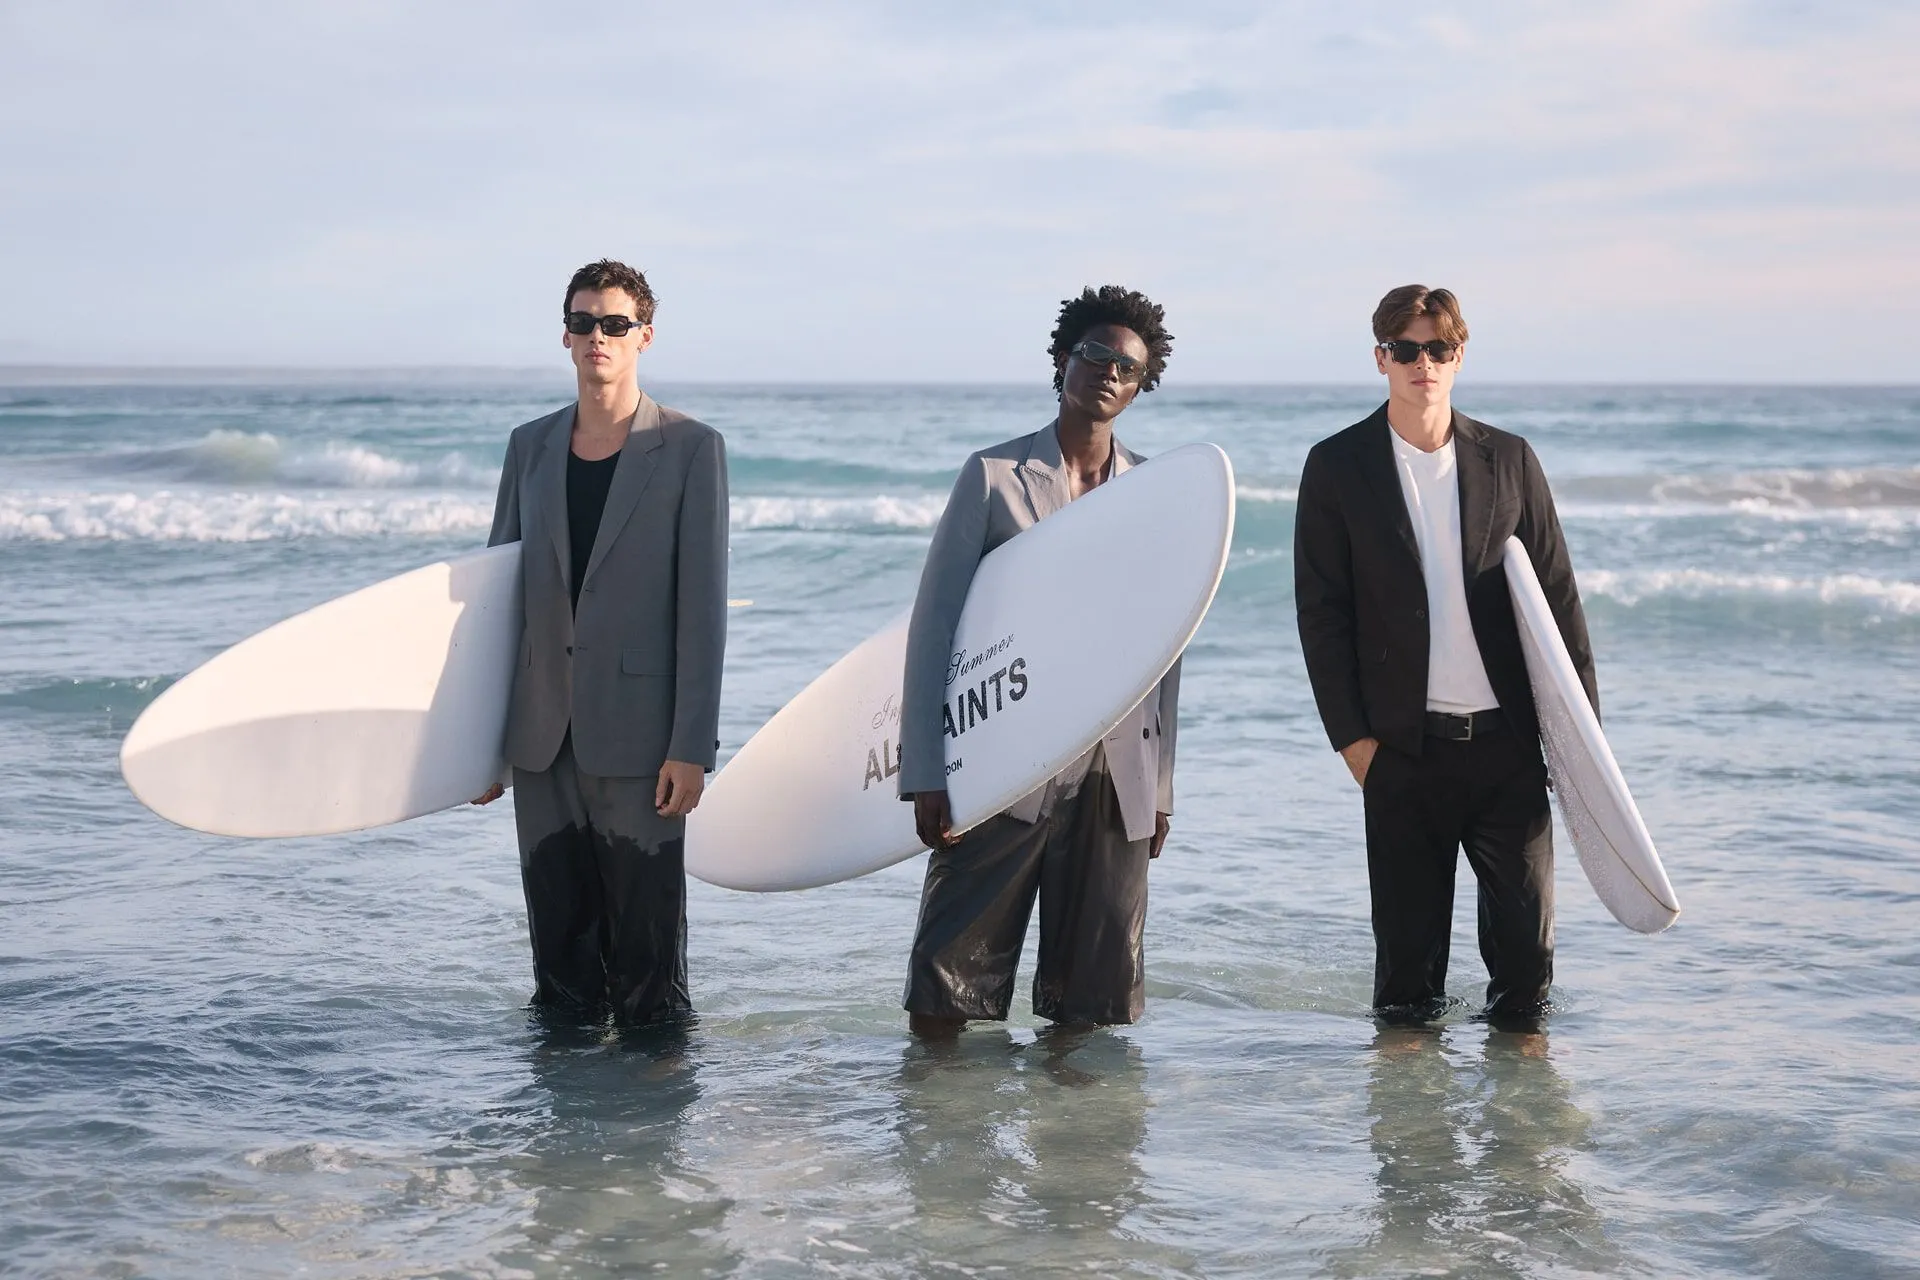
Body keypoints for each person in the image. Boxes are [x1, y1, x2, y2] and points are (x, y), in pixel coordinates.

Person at [1293, 284, 1596, 1026]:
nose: (1422, 362)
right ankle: (1407, 1103)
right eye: (1406, 349)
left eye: (1438, 348)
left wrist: (1581, 743)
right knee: (1406, 987)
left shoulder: (1510, 459)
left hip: (1508, 750)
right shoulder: (1337, 465)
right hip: (1403, 752)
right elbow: (1322, 614)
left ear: (1459, 357)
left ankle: (1520, 1101)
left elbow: (1558, 601)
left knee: (1526, 977)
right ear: (1381, 359)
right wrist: (1355, 744)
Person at [897, 285, 1181, 1036]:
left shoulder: (1152, 494)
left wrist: (1160, 789)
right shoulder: (993, 476)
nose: (1110, 372)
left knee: (1091, 1012)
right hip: (1002, 764)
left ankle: (1069, 1123)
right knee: (946, 995)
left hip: (1114, 773)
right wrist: (926, 768)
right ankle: (942, 1117)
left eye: (1128, 366)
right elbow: (935, 627)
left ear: (1141, 385)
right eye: (1095, 354)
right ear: (1063, 360)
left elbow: (1165, 649)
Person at [473, 258, 729, 1025]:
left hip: (643, 744)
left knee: (650, 978)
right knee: (560, 974)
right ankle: (563, 1101)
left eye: (615, 324)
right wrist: (479, 744)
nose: (598, 337)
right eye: (583, 323)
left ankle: (652, 1099)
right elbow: (498, 601)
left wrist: (692, 746)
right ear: (565, 335)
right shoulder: (529, 447)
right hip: (541, 740)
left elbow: (703, 609)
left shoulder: (690, 447)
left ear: (644, 335)